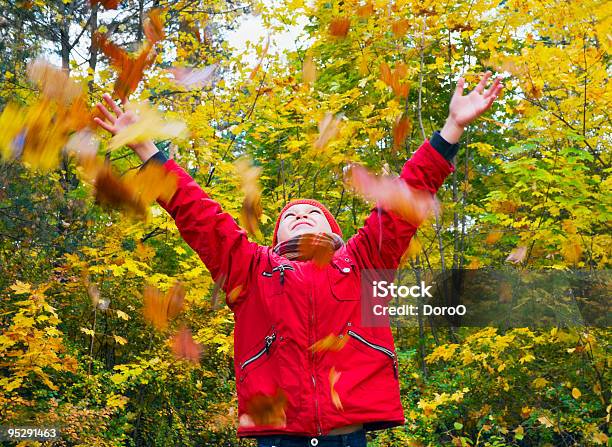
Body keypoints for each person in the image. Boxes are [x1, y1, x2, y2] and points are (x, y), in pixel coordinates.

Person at [94, 72, 502, 447]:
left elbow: (404, 199)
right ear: (276, 238)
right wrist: (146, 148)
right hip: (279, 438)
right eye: (291, 216)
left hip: (347, 437)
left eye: (313, 214)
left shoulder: (362, 262)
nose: (301, 216)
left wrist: (452, 129)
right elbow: (198, 212)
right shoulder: (252, 270)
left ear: (334, 231)